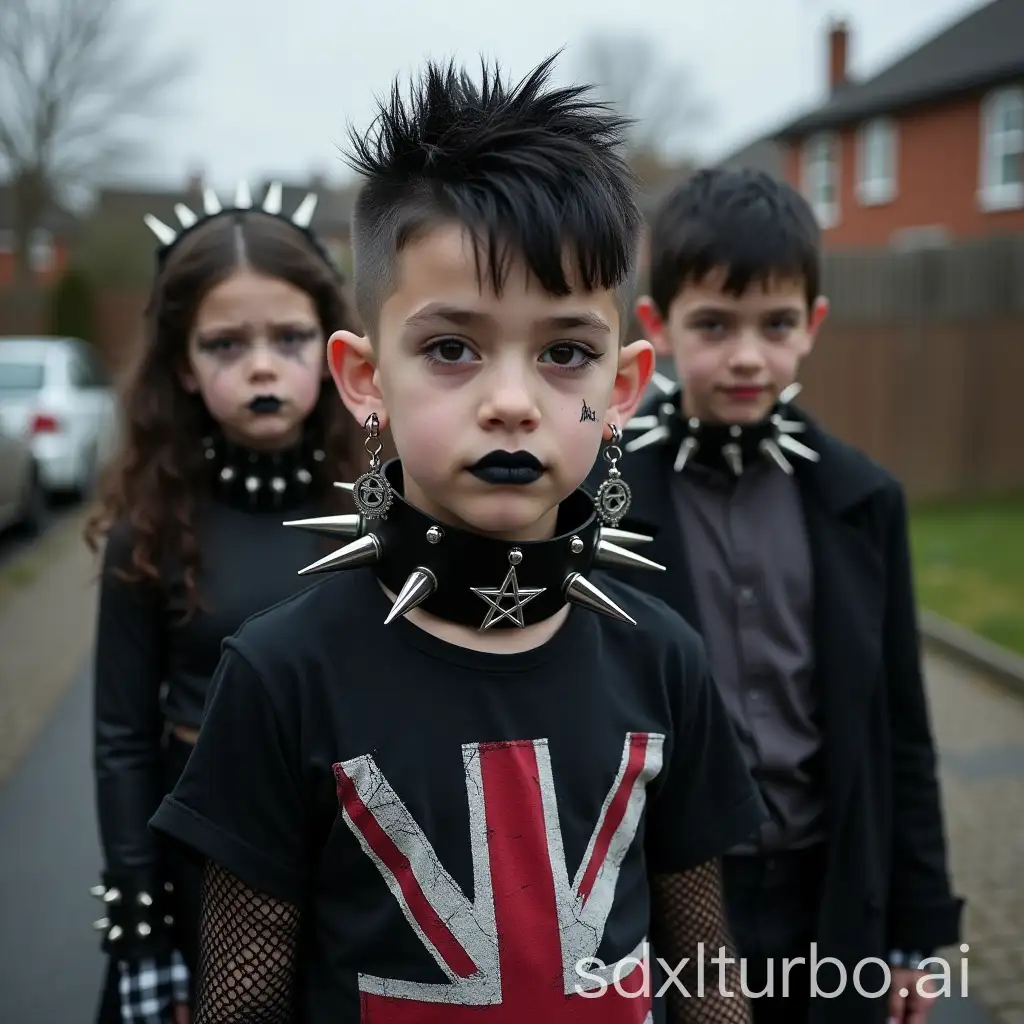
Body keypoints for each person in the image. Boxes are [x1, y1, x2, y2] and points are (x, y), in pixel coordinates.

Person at [148, 56, 768, 1023]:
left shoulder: (668, 662)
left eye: (565, 352)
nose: (513, 402)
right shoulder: (279, 676)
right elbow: (247, 983)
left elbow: (703, 962)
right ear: (363, 377)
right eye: (451, 348)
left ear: (622, 388)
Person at [586, 167, 963, 1024]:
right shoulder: (599, 503)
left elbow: (902, 729)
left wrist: (915, 934)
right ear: (659, 326)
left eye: (776, 324)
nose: (748, 354)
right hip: (667, 892)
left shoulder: (862, 501)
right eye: (715, 325)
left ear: (813, 326)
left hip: (830, 887)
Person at [85, 181, 366, 1024]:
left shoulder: (384, 510)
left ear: (332, 347)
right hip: (196, 872)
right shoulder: (152, 526)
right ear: (182, 363)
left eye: (289, 338)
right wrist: (142, 929)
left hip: (351, 857)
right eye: (224, 344)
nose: (261, 366)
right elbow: (120, 741)